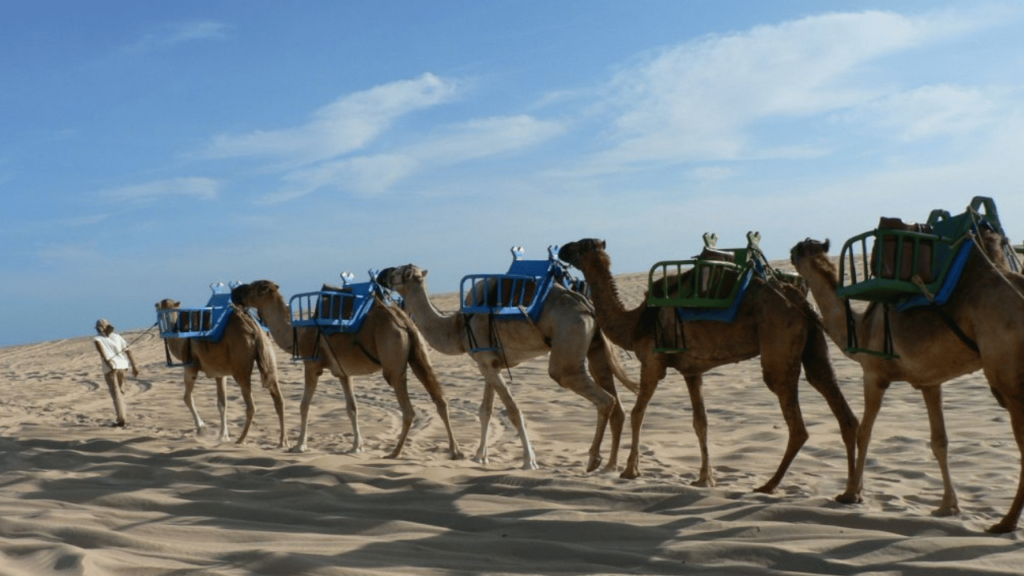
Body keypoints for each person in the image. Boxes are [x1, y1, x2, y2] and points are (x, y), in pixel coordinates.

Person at [92, 318, 139, 427]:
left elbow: (102, 353)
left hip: (111, 368)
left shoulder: (98, 338)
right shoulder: (117, 337)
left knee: (116, 393)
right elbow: (129, 351)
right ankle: (122, 416)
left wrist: (109, 362)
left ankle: (121, 418)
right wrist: (134, 366)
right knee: (120, 393)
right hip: (122, 366)